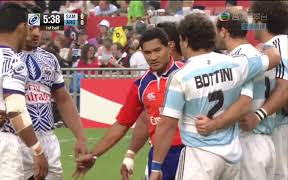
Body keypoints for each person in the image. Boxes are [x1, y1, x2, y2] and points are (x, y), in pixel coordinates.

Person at [149, 13, 279, 180]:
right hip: (232, 156)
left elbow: (166, 125)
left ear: (186, 40)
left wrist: (156, 166)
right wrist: (265, 47)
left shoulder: (180, 77)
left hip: (200, 156)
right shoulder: (236, 64)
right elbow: (274, 57)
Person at [74, 28, 185, 180]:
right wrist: (94, 155)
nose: (153, 57)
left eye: (157, 50)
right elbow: (122, 124)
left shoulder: (186, 73)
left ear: (169, 47)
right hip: (159, 155)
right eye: (147, 53)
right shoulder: (140, 85)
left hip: (189, 151)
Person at [0, 2, 48, 180]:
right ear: (21, 27)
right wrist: (37, 150)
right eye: (28, 27)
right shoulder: (14, 63)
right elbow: (15, 110)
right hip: (0, 147)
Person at [17, 4, 88, 179]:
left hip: (47, 138)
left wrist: (80, 138)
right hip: (15, 140)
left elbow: (63, 99)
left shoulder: (49, 59)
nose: (36, 33)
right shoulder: (3, 57)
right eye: (30, 27)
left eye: (39, 28)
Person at [216, 8, 276, 180]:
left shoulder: (237, 60)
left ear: (223, 31)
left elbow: (241, 103)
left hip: (247, 140)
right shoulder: (260, 55)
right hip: (266, 139)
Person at [249, 2, 288, 180]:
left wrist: (258, 115)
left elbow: (285, 88)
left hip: (280, 129)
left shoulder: (277, 45)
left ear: (259, 21)